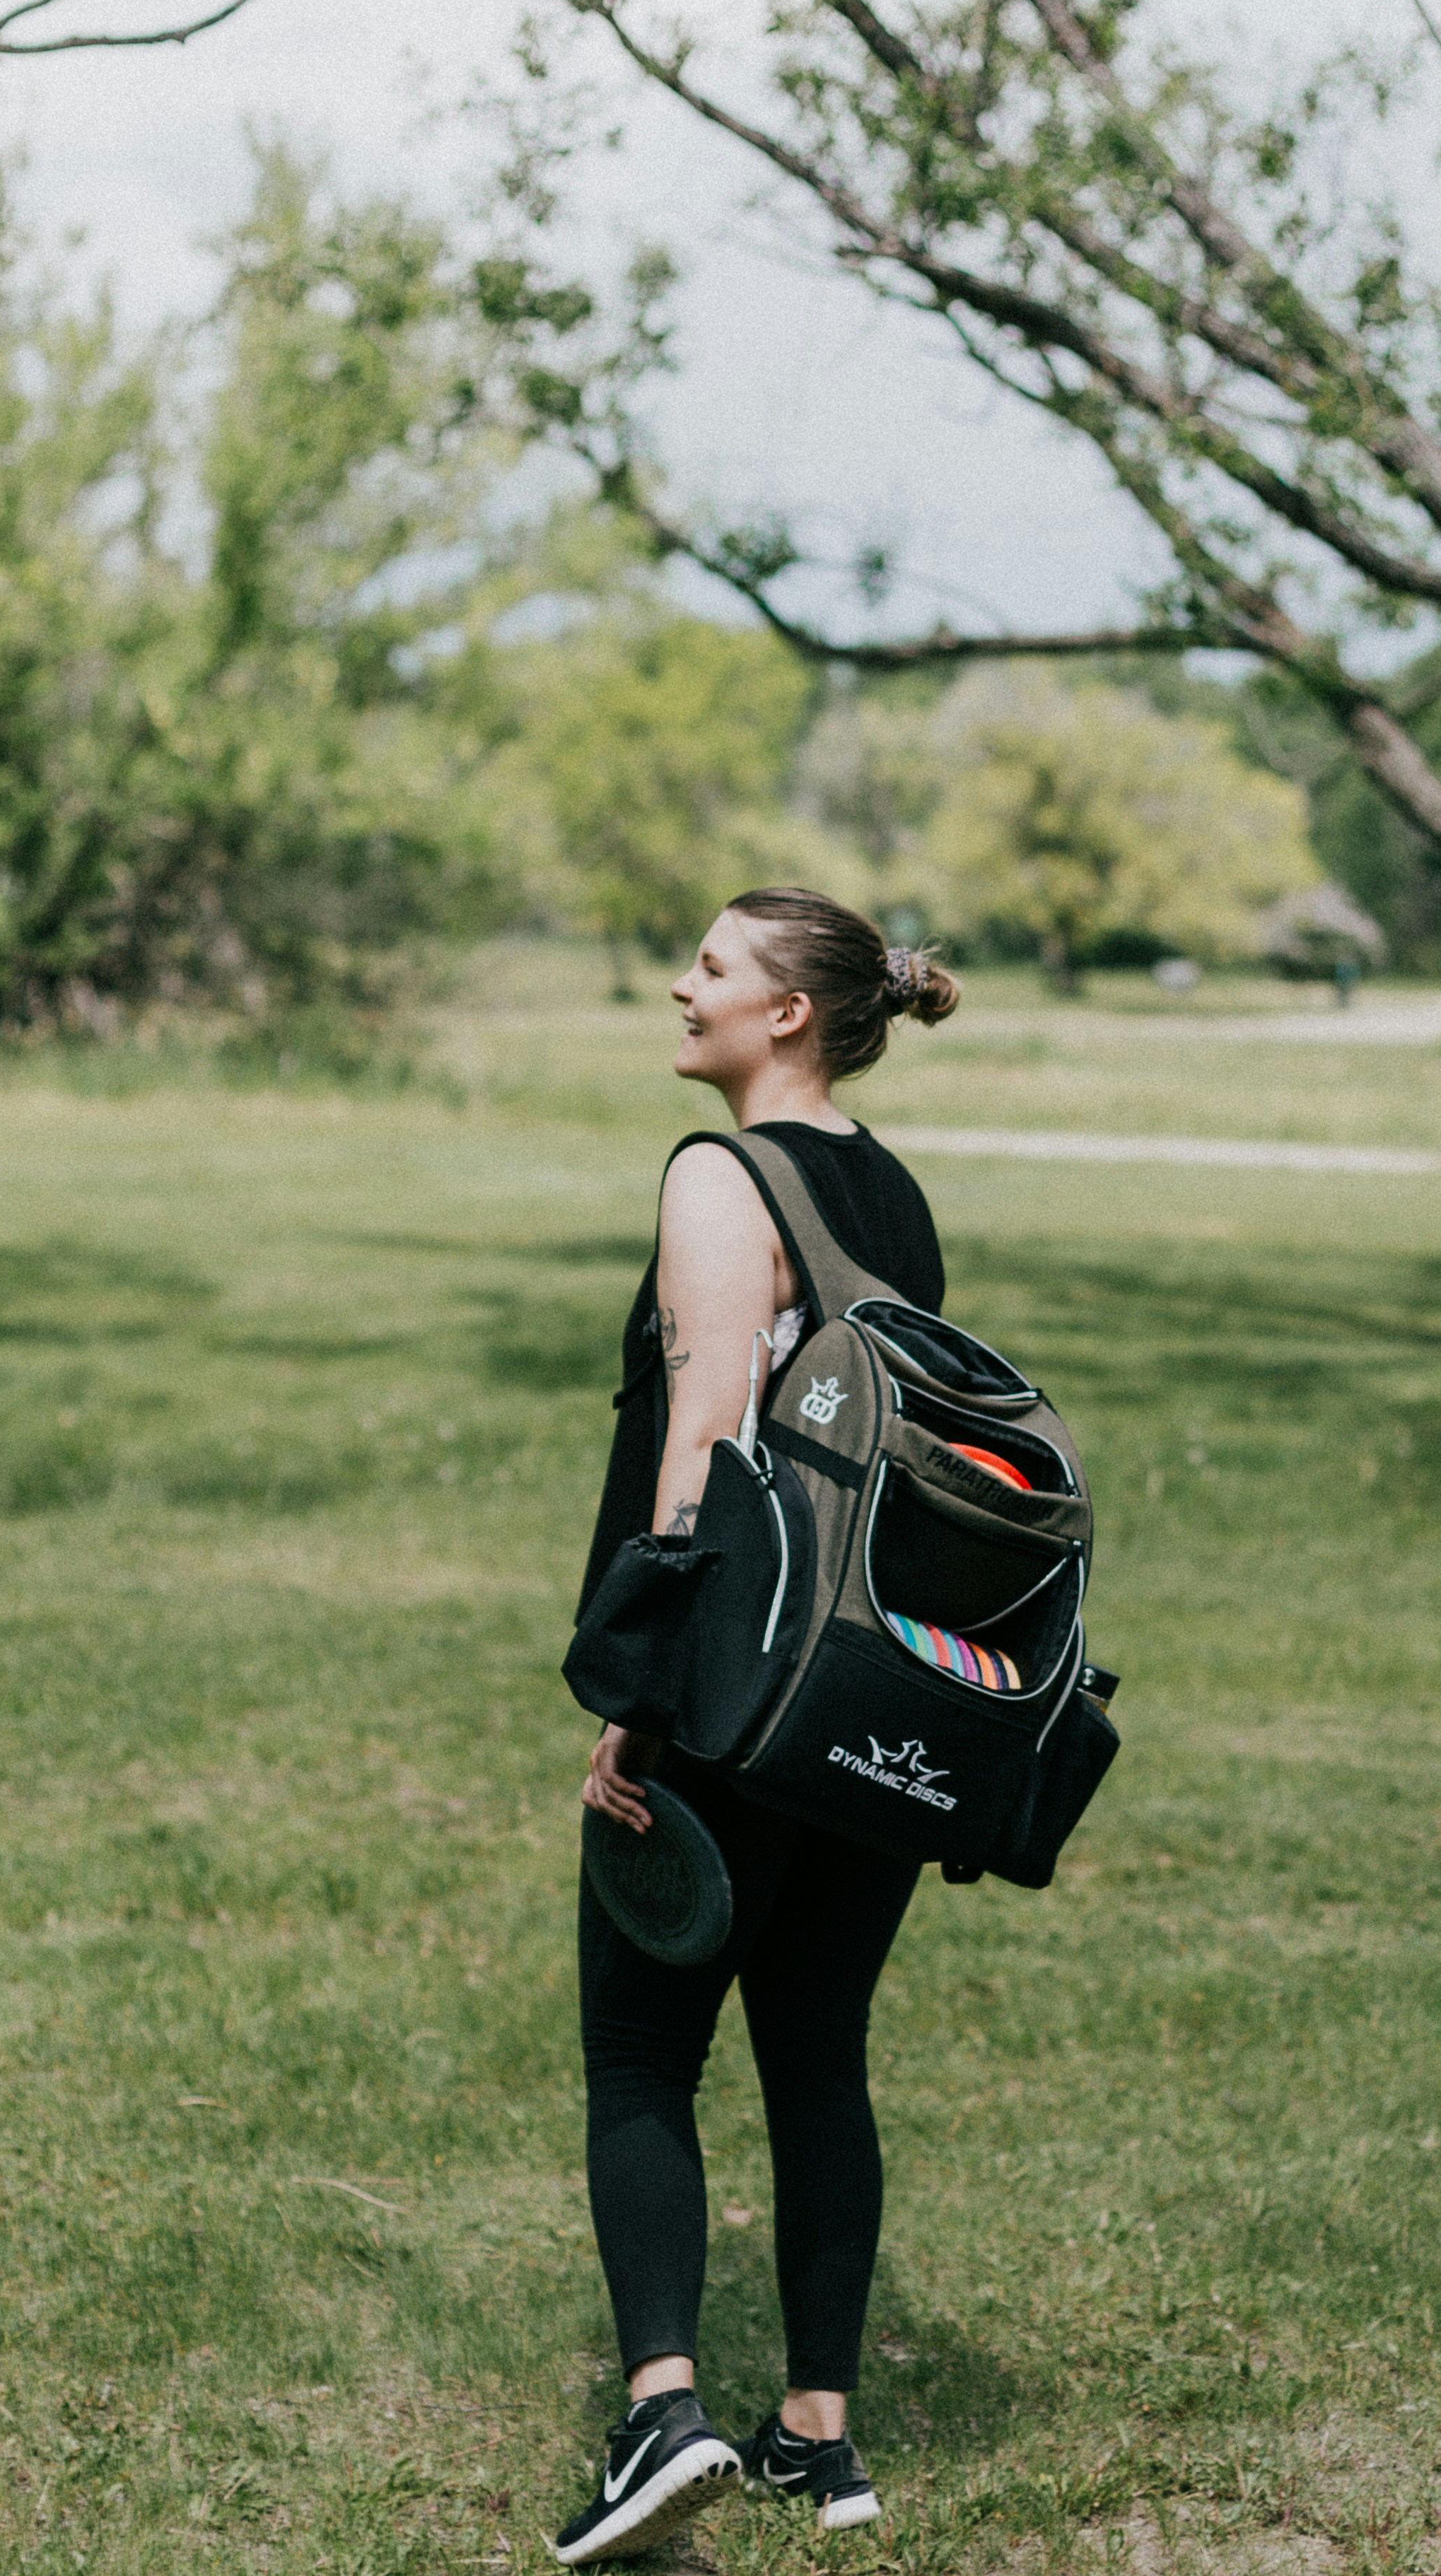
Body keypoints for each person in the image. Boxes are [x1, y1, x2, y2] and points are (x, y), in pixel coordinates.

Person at [549, 887, 964, 2568]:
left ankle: (661, 2414)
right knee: (818, 2052)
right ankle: (820, 2438)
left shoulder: (721, 1178)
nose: (682, 983)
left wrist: (641, 1710)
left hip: (732, 1690)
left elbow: (704, 1439)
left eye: (714, 967)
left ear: (789, 1011)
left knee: (643, 2053)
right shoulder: (896, 1191)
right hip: (867, 1701)